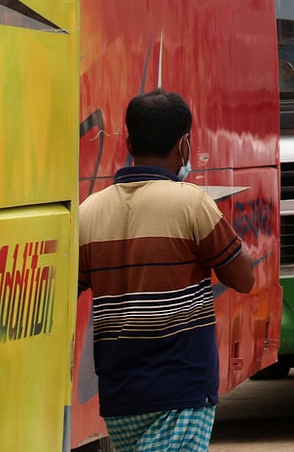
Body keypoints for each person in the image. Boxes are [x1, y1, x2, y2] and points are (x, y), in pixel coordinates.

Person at [78, 89, 254, 452]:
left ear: (128, 140)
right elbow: (243, 278)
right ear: (185, 145)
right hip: (180, 387)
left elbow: (73, 288)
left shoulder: (89, 212)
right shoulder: (191, 203)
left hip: (120, 395)